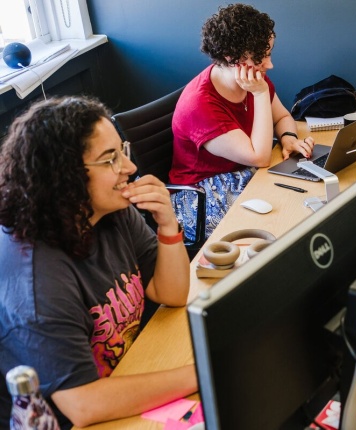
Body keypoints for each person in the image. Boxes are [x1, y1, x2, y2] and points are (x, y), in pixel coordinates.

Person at [0, 96, 198, 429]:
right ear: (65, 175)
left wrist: (168, 225)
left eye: (123, 150)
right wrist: (202, 371)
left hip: (128, 371)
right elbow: (83, 404)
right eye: (110, 159)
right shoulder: (36, 280)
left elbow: (171, 292)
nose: (130, 167)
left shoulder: (108, 211)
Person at [170, 3, 314, 241]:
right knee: (283, 222)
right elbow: (259, 156)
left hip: (246, 173)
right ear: (231, 58)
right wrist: (258, 95)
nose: (269, 64)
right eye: (261, 57)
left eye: (268, 53)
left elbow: (283, 116)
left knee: (301, 200)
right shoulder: (201, 104)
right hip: (200, 195)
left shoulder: (253, 79)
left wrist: (289, 138)